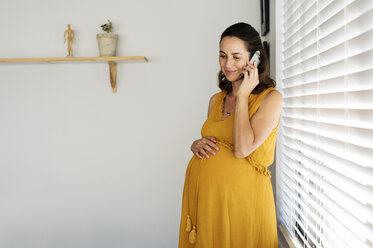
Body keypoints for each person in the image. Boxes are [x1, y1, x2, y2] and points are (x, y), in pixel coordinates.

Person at [178, 22, 283, 248]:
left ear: (255, 59)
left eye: (236, 57)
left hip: (244, 204)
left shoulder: (271, 99)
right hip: (208, 204)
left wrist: (243, 95)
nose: (228, 64)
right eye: (223, 55)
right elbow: (217, 140)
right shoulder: (216, 100)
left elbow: (243, 148)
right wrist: (197, 144)